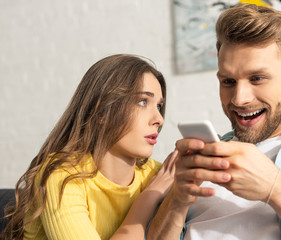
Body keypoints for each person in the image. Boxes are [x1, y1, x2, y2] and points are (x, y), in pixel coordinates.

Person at [147, 3, 281, 240]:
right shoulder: (203, 159)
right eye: (228, 82)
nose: (239, 98)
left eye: (257, 78)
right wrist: (176, 201)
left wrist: (274, 187)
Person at [2, 54, 177, 240]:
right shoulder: (63, 176)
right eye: (143, 102)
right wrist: (148, 198)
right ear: (101, 111)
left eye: (159, 106)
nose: (159, 119)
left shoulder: (159, 175)